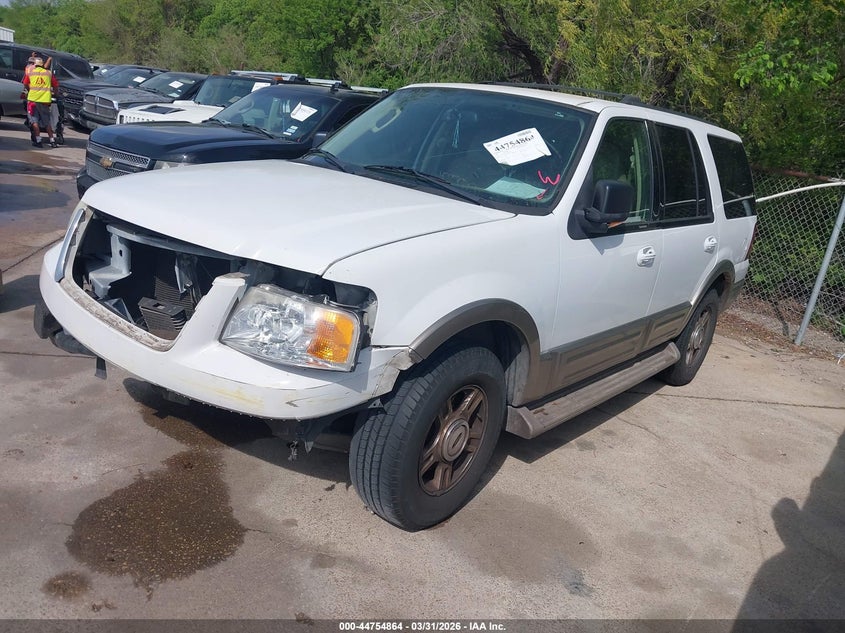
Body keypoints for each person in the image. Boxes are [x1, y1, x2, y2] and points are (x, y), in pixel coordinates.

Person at [22, 56, 59, 148]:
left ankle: (38, 141)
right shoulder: (48, 73)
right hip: (44, 101)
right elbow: (56, 85)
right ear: (43, 65)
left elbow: (25, 83)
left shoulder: (31, 73)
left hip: (33, 101)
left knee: (35, 122)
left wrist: (29, 90)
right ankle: (52, 141)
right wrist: (56, 94)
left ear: (35, 64)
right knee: (47, 122)